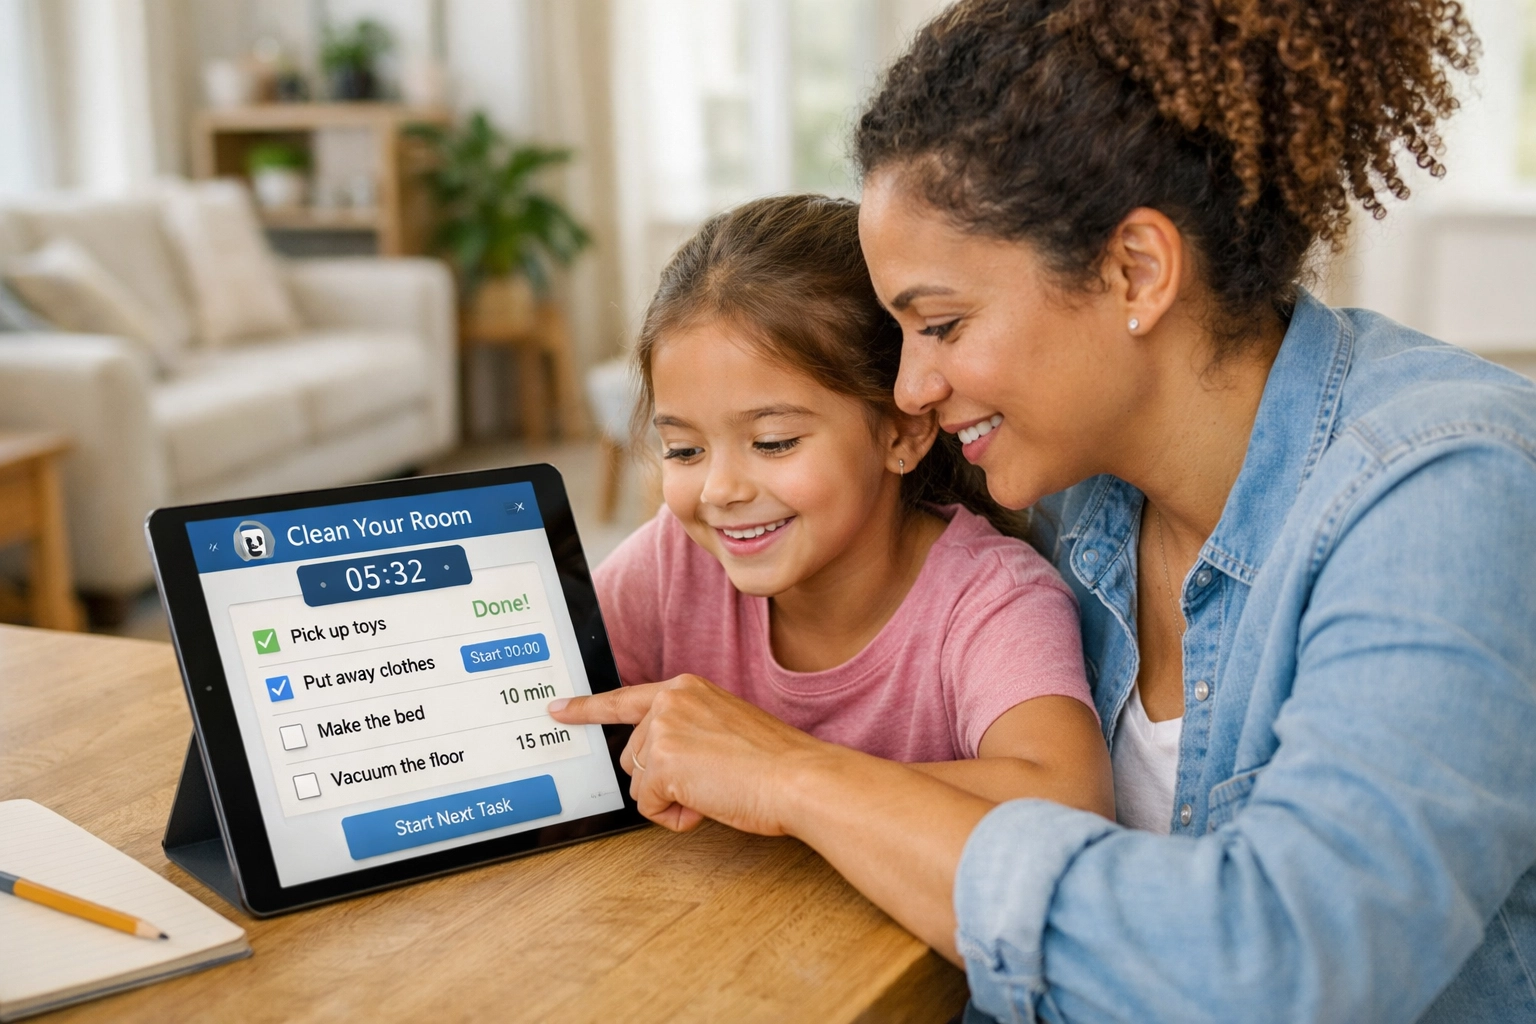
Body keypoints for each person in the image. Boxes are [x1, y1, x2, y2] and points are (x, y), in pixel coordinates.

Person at [553, 0, 1536, 1019]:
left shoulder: (1448, 489)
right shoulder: (1066, 484)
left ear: (1135, 272)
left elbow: (1280, 966)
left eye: (940, 324)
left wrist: (795, 777)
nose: (909, 390)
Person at [594, 193, 1111, 809]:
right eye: (683, 450)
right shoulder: (672, 562)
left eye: (773, 442)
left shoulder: (992, 600)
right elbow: (535, 715)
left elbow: (1071, 799)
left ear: (903, 431)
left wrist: (772, 771)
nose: (719, 491)